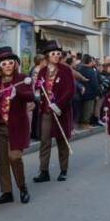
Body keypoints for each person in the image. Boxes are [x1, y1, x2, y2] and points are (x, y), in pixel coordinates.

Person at [0, 46, 33, 205]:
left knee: (15, 157)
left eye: (10, 63)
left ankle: (22, 187)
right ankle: (6, 192)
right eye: (4, 63)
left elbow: (31, 96)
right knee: (2, 160)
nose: (7, 66)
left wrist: (18, 93)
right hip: (0, 127)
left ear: (15, 64)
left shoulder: (23, 78)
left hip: (17, 126)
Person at [33, 40, 75, 183]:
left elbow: (70, 91)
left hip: (60, 112)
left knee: (62, 140)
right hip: (46, 112)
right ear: (47, 56)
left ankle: (63, 170)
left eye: (58, 53)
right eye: (53, 53)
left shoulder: (66, 70)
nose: (56, 55)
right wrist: (37, 92)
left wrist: (59, 105)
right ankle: (44, 171)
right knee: (44, 141)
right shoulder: (43, 71)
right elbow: (38, 89)